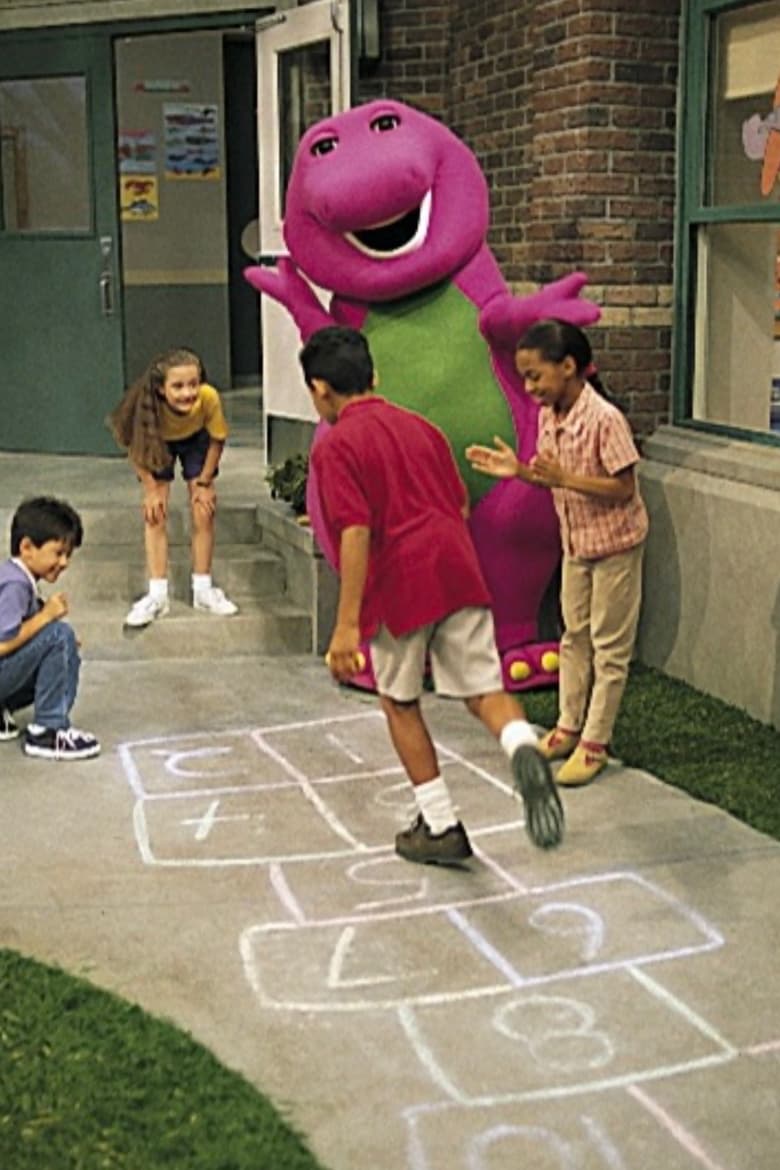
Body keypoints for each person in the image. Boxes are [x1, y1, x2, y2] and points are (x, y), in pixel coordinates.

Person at [299, 325, 564, 866]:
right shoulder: (421, 428)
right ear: (373, 376)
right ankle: (520, 743)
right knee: (481, 689)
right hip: (457, 565)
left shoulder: (337, 445)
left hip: (401, 580)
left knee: (398, 701)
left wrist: (346, 624)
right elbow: (460, 504)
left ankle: (440, 823)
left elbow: (355, 531)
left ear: (320, 389)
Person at [467, 318, 649, 786]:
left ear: (569, 367)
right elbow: (550, 474)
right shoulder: (551, 415)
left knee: (609, 649)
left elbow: (624, 488)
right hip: (576, 544)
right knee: (574, 637)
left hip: (614, 546)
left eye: (535, 376)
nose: (530, 388)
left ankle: (595, 742)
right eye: (524, 377)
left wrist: (564, 480)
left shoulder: (605, 419)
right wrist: (519, 472)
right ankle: (568, 726)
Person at [107, 347, 238, 627]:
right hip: (158, 442)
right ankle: (157, 595)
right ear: (161, 389)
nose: (187, 392)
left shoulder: (208, 398)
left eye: (193, 383)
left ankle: (203, 589)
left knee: (203, 510)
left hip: (197, 439)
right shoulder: (147, 407)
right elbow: (134, 447)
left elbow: (217, 440)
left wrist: (204, 482)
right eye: (177, 386)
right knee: (155, 513)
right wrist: (151, 488)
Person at [0, 496, 100, 760]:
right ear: (27, 547)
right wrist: (46, 619)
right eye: (58, 553)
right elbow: (1, 644)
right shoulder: (15, 585)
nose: (65, 562)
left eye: (68, 555)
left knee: (60, 642)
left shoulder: (15, 578)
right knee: (59, 635)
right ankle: (48, 729)